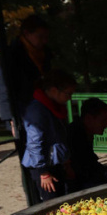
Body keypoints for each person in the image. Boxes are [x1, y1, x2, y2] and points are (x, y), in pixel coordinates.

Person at [21, 69, 75, 202]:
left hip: (56, 163)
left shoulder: (55, 107)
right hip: (44, 167)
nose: (70, 98)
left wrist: (65, 161)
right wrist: (43, 172)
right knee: (51, 205)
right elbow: (34, 142)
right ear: (53, 90)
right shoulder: (37, 110)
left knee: (62, 202)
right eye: (68, 93)